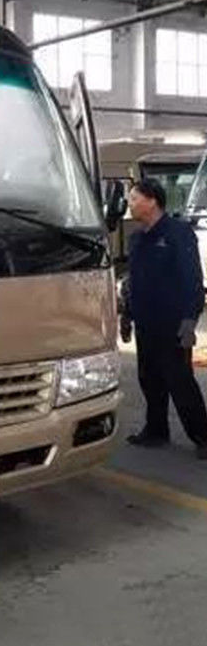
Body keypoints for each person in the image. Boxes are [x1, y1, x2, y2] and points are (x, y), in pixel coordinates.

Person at [121, 177, 207, 459]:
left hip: (172, 326)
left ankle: (203, 437)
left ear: (152, 200)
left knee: (180, 382)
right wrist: (126, 315)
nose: (129, 204)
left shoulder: (177, 234)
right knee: (149, 379)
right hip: (146, 324)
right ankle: (156, 430)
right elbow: (132, 281)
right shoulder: (137, 239)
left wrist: (189, 321)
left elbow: (192, 279)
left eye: (134, 199)